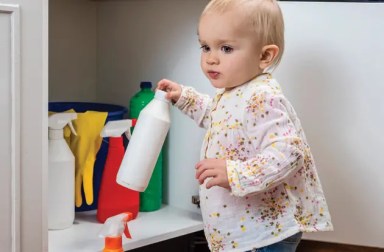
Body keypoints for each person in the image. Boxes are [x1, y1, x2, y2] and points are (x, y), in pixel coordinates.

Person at [157, 0, 333, 251]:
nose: (211, 59)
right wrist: (184, 97)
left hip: (263, 235)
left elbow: (288, 153)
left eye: (226, 48)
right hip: (248, 231)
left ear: (264, 56)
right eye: (205, 47)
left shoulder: (260, 97)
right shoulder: (235, 92)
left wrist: (236, 173)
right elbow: (218, 118)